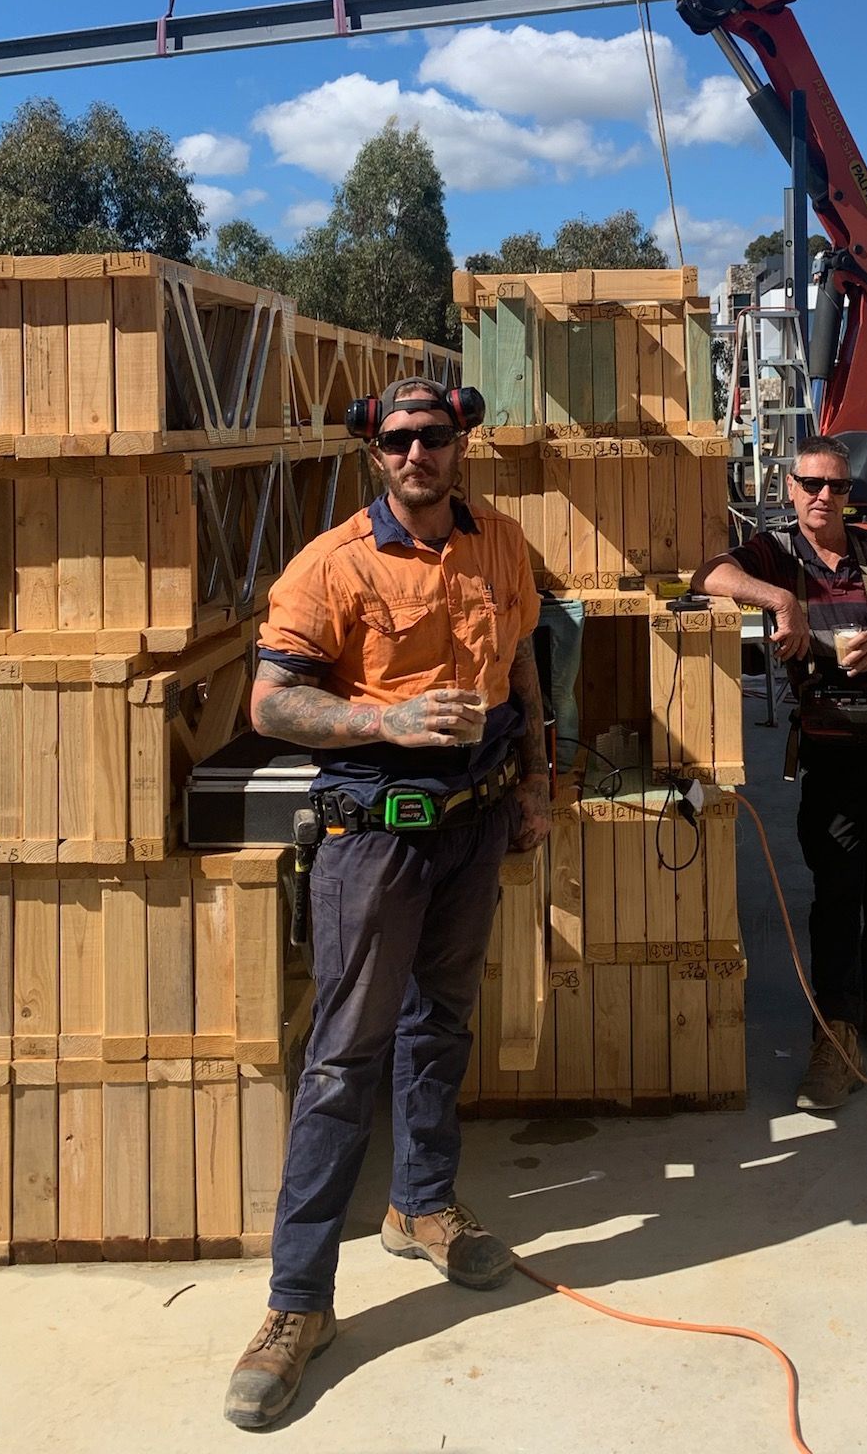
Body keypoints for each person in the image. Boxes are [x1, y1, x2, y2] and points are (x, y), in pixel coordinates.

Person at [223, 380, 550, 1431]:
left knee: (441, 1022)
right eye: (399, 439)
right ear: (376, 453)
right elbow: (271, 700)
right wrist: (389, 714)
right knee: (340, 1060)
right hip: (376, 834)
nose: (418, 452)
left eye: (434, 435)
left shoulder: (497, 539)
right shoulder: (333, 564)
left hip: (478, 820)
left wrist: (537, 775)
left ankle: (422, 1203)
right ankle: (296, 1303)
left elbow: (526, 659)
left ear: (460, 442)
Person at [693, 434, 867, 1111]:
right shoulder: (778, 554)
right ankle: (832, 1034)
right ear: (791, 488)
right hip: (835, 752)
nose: (823, 497)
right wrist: (782, 602)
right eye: (811, 484)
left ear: (849, 493)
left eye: (835, 487)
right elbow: (706, 575)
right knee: (839, 888)